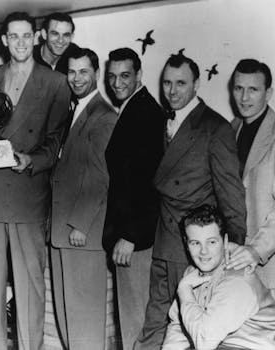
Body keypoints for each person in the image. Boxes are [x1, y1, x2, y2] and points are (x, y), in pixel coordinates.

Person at [0, 11, 70, 350]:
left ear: (37, 38)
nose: (21, 43)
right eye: (14, 37)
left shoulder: (55, 83)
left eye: (27, 36)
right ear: (3, 41)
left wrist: (29, 159)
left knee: (29, 290)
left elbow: (55, 142)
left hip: (28, 194)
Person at [134, 53, 247, 350]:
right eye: (167, 83)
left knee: (188, 333)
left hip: (192, 248)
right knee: (156, 322)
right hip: (163, 241)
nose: (172, 91)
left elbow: (231, 194)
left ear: (196, 84)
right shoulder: (162, 121)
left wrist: (232, 248)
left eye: (181, 83)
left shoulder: (215, 127)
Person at [50, 48, 117, 350]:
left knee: (85, 322)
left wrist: (80, 223)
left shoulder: (104, 116)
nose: (76, 79)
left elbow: (100, 176)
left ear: (96, 74)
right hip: (63, 232)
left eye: (83, 72)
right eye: (72, 72)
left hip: (82, 232)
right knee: (68, 320)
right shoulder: (75, 110)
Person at [103, 47, 166, 350]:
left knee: (136, 319)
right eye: (112, 76)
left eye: (125, 75)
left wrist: (129, 235)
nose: (117, 83)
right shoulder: (133, 108)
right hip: (132, 235)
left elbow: (146, 181)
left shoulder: (145, 112)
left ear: (139, 75)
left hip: (136, 239)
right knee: (133, 318)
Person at [163, 204, 275, 350]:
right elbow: (178, 326)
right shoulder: (192, 273)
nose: (204, 252)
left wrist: (184, 290)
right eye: (195, 243)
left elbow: (205, 342)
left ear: (225, 241)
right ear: (186, 244)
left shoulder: (237, 278)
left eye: (212, 242)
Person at [226, 59, 275, 298]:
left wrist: (257, 250)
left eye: (253, 89)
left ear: (268, 93)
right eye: (238, 88)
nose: (244, 97)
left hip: (268, 268)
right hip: (232, 262)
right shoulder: (229, 129)